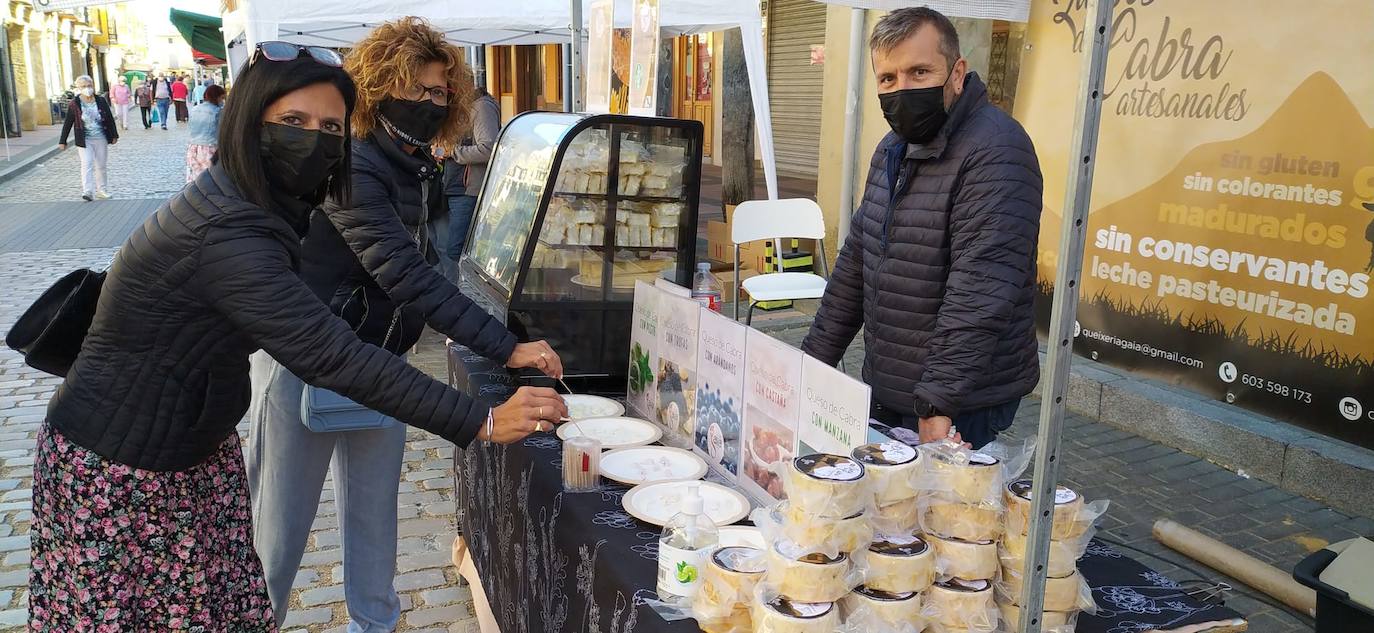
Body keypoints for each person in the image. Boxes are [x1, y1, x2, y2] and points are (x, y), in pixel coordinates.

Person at [28, 42, 566, 631]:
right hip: (123, 469)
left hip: (189, 447)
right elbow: (330, 349)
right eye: (292, 122)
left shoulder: (266, 200)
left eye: (329, 126)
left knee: (234, 601)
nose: (314, 138)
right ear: (248, 121)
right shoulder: (229, 226)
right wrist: (481, 419)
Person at [246, 19, 566, 632]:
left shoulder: (414, 160)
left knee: (374, 524)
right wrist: (509, 345)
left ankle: (378, 626)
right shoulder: (351, 162)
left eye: (440, 91)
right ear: (377, 86)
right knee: (277, 536)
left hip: (382, 362)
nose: (428, 102)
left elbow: (422, 269)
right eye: (415, 89)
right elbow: (407, 276)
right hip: (304, 362)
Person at [800, 7, 1043, 450]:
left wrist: (937, 403)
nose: (902, 89)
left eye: (919, 71)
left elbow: (981, 290)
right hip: (893, 383)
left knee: (945, 514)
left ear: (957, 72)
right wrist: (810, 363)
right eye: (888, 79)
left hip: (960, 399)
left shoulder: (996, 149)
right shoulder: (892, 148)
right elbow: (856, 262)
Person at [443, 85, 500, 268]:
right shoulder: (464, 108)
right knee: (447, 248)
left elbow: (489, 149)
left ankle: (458, 293)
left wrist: (452, 151)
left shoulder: (482, 107)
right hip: (456, 187)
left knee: (455, 250)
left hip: (469, 190)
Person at [57, 75, 119, 202]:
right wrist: (62, 141)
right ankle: (88, 191)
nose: (87, 88)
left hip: (100, 137)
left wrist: (114, 135)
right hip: (84, 139)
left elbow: (109, 119)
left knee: (101, 165)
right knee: (87, 163)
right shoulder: (75, 104)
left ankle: (102, 190)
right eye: (84, 86)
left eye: (89, 86)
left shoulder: (100, 101)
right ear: (79, 88)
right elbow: (68, 122)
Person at [186, 84, 226, 182]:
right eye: (222, 98)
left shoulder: (194, 109)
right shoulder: (218, 112)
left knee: (195, 179)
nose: (222, 101)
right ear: (217, 97)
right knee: (210, 179)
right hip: (209, 147)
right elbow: (222, 132)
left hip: (193, 148)